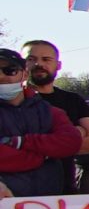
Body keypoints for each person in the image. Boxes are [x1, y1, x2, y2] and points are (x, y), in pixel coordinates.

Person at [0, 49, 82, 196]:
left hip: (49, 207)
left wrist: (21, 143)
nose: (1, 76)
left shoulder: (49, 111)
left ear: (24, 74)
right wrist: (43, 155)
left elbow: (72, 142)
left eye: (9, 70)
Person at [20, 42, 89, 176]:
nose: (38, 64)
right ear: (21, 64)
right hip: (16, 189)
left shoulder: (73, 100)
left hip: (63, 187)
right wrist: (70, 137)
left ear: (58, 65)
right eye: (31, 59)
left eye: (46, 59)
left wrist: (30, 146)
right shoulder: (11, 101)